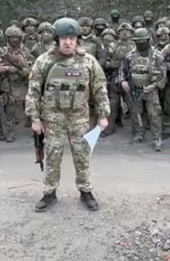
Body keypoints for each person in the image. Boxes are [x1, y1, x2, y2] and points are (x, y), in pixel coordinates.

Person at [25, 18, 110, 212]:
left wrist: (103, 114)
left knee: (82, 155)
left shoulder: (88, 61)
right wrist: (35, 118)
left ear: (77, 39)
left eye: (72, 38)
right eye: (64, 38)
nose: (68, 42)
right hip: (52, 118)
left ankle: (85, 191)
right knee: (52, 155)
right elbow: (33, 91)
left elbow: (99, 88)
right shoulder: (44, 61)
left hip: (79, 118)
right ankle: (49, 192)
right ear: (57, 39)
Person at [121, 29, 167, 151]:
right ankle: (139, 134)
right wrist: (123, 82)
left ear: (148, 40)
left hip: (151, 89)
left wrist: (154, 85)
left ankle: (157, 138)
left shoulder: (157, 55)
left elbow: (163, 73)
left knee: (154, 114)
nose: (140, 44)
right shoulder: (130, 55)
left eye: (142, 41)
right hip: (135, 89)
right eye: (138, 42)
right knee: (136, 113)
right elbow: (122, 71)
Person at [0, 25, 35, 142]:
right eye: (12, 37)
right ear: (8, 38)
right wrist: (8, 68)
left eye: (17, 37)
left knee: (31, 107)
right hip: (9, 84)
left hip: (24, 83)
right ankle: (10, 133)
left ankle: (36, 131)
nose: (15, 40)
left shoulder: (25, 51)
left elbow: (34, 64)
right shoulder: (2, 51)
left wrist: (28, 70)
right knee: (10, 110)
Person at [101, 22, 135, 137]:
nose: (124, 33)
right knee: (112, 105)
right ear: (118, 33)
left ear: (131, 33)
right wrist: (111, 64)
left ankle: (138, 130)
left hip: (130, 80)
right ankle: (108, 129)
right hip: (114, 79)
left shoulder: (135, 46)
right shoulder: (112, 46)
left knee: (133, 105)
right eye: (121, 31)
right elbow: (105, 61)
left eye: (127, 31)